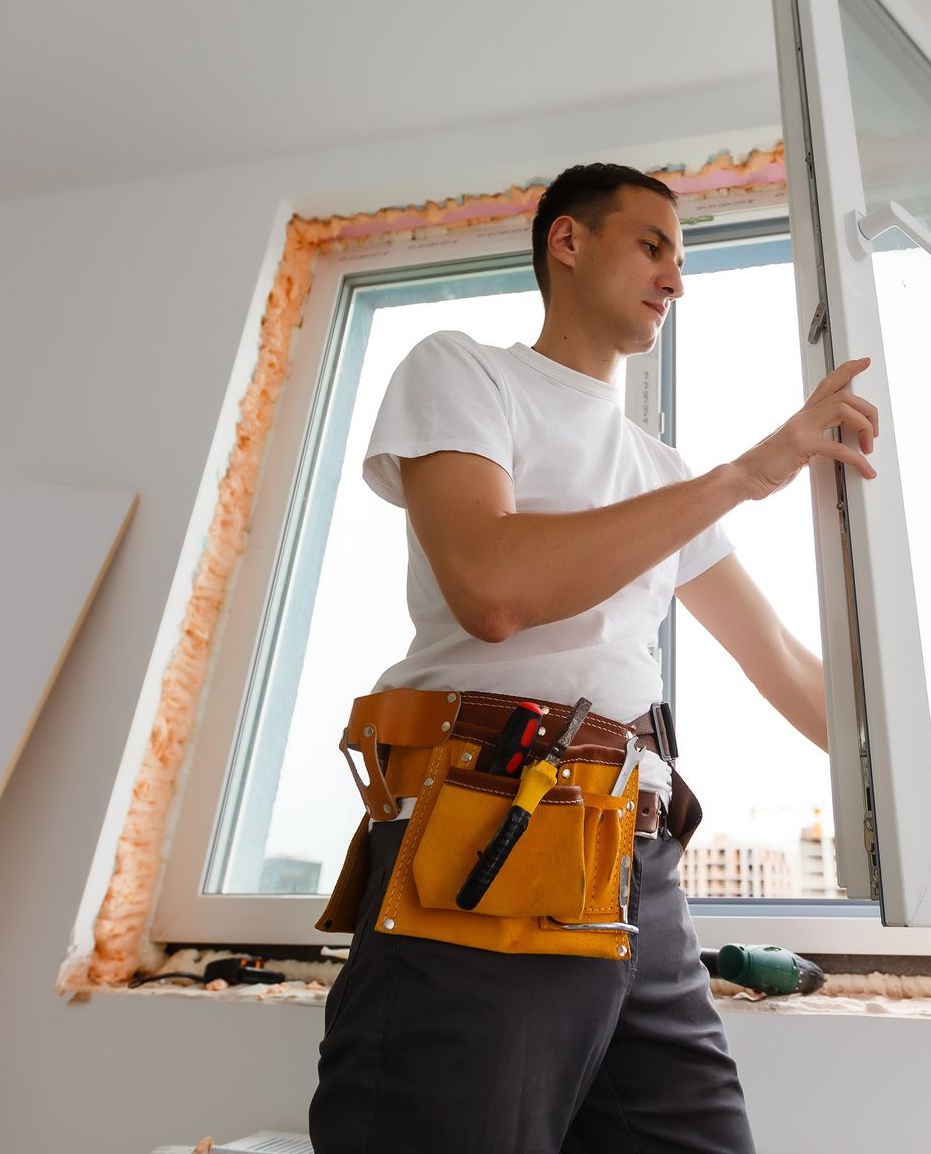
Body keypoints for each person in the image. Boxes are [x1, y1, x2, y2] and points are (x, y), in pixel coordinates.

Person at [310, 162, 878, 1153]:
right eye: (652, 245)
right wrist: (744, 476)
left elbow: (784, 661)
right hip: (495, 825)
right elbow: (492, 586)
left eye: (683, 258)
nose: (676, 278)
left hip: (637, 858)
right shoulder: (465, 371)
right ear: (566, 242)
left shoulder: (658, 472)